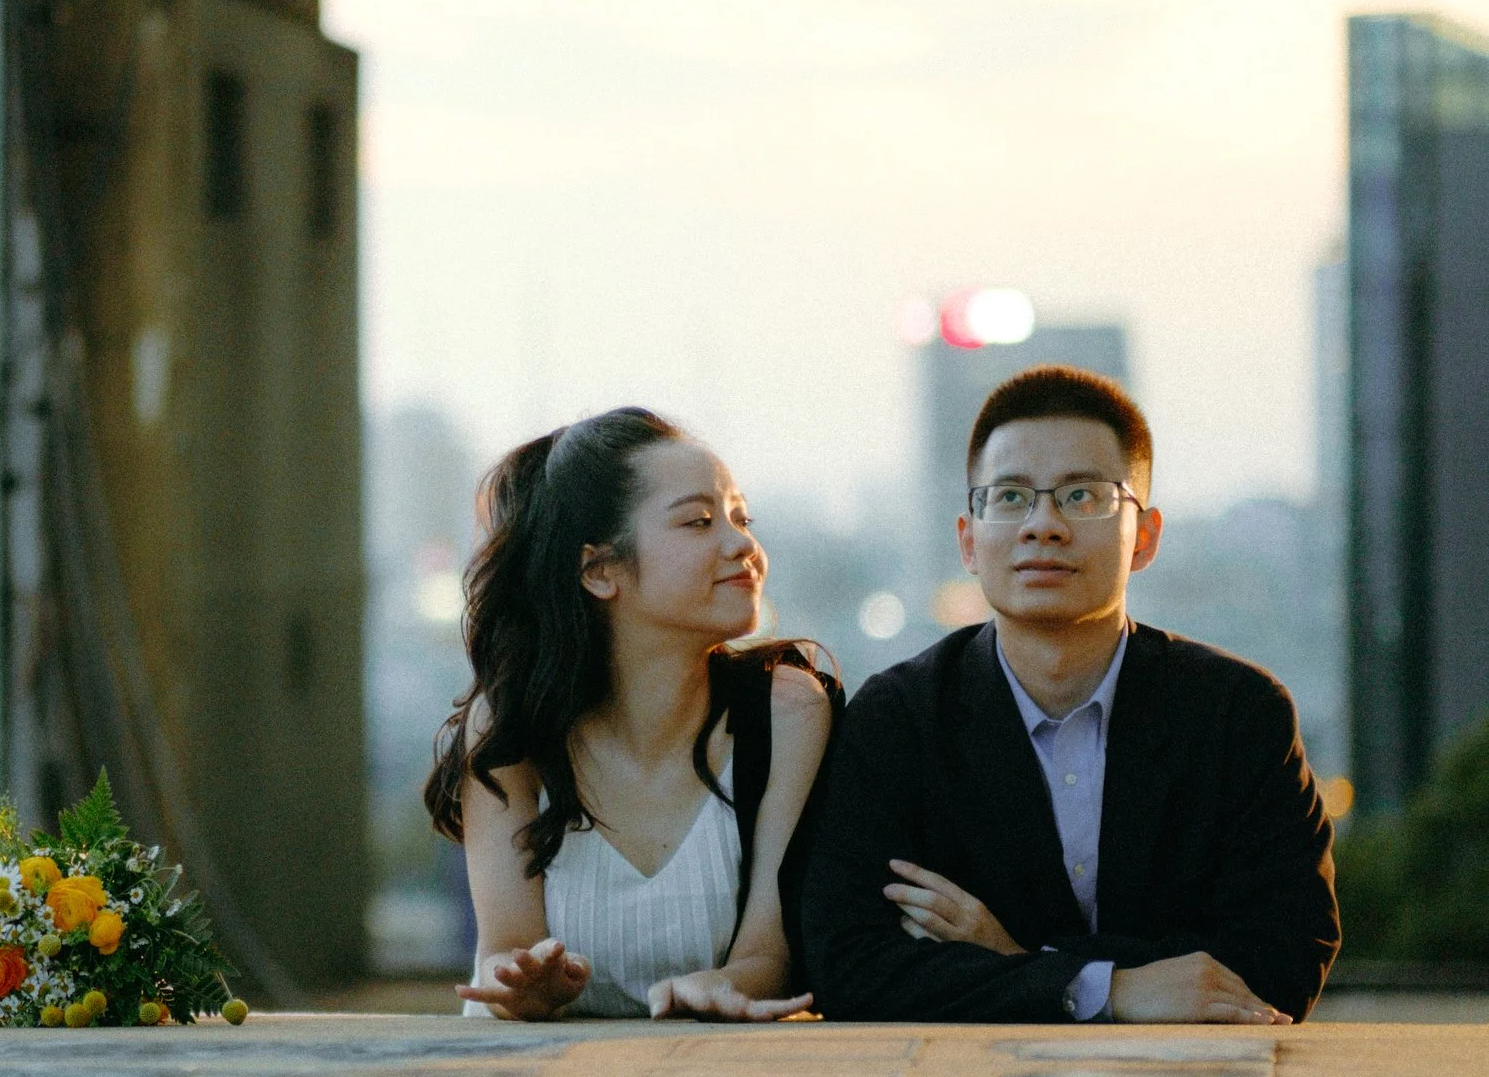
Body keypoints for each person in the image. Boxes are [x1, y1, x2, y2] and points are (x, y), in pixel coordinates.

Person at [801, 366, 1339, 1022]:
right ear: (968, 540)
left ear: (1144, 537)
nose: (1043, 525)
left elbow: (1284, 960)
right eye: (1010, 497)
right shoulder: (899, 718)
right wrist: (1111, 988)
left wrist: (1016, 956)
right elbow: (846, 964)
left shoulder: (1238, 714)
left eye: (1082, 496)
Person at [424, 408, 835, 1020]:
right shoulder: (511, 724)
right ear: (599, 571)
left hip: (711, 1070)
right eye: (699, 522)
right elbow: (501, 951)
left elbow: (768, 957)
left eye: (741, 519)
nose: (743, 545)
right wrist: (524, 986)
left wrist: (722, 987)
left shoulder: (788, 711)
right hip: (531, 1067)